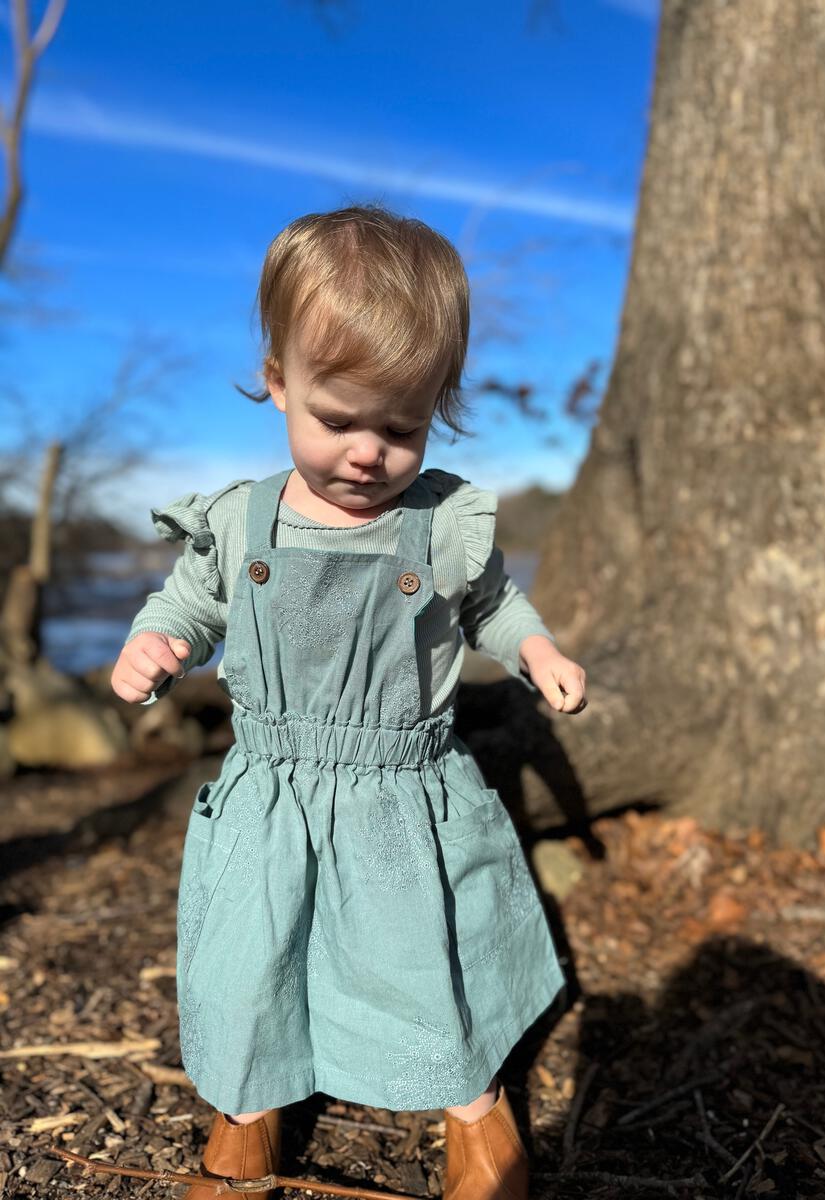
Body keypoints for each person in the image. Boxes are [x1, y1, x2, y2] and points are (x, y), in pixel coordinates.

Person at [111, 204, 588, 1200]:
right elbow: (193, 600)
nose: (368, 452)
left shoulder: (440, 520)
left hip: (400, 791)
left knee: (423, 957)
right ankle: (247, 1113)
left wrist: (535, 647)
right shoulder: (242, 518)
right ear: (279, 381)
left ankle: (475, 1110)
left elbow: (494, 600)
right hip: (273, 786)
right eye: (339, 420)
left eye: (400, 427)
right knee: (251, 954)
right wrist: (158, 643)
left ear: (436, 408)